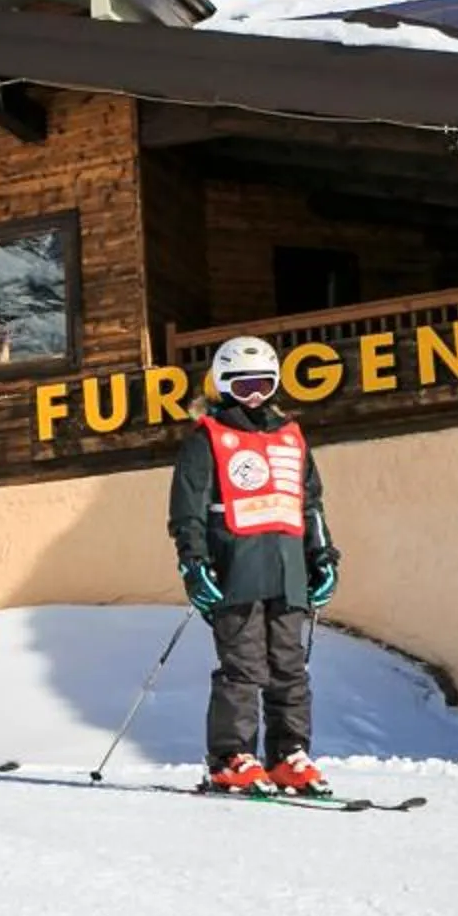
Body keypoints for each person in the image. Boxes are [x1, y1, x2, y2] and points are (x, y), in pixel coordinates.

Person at [170, 334, 340, 795]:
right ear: (223, 385)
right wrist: (195, 565)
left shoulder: (290, 437)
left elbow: (310, 506)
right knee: (243, 668)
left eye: (263, 385)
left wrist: (323, 559)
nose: (255, 395)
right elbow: (187, 512)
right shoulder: (206, 439)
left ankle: (288, 754)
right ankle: (231, 756)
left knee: (290, 667)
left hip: (288, 569)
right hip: (236, 570)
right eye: (243, 386)